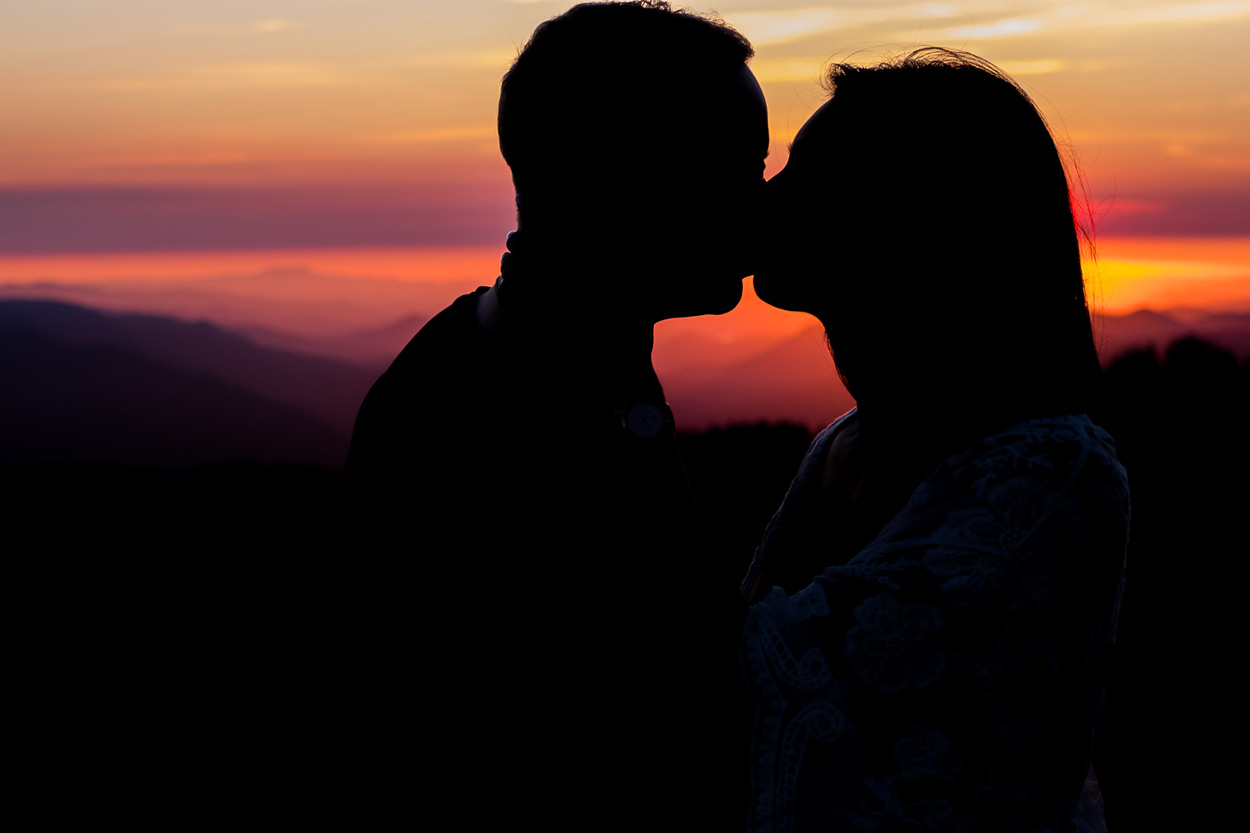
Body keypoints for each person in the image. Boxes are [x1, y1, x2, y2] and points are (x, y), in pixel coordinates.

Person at [347, 2, 767, 826]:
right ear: (615, 173)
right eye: (731, 168)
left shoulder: (521, 358)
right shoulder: (485, 423)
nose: (756, 204)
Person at [739, 49, 1130, 832]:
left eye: (807, 174)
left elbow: (769, 684)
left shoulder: (1054, 471)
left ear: (910, 213)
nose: (766, 195)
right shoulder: (841, 443)